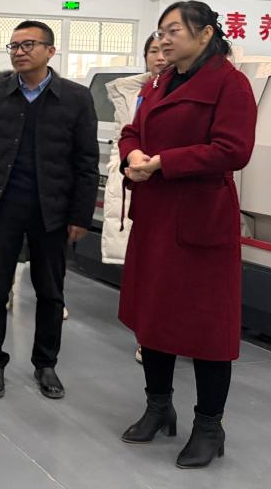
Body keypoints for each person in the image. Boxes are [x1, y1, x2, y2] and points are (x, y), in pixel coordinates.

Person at [118, 1, 257, 470]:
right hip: (156, 213)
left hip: (201, 218)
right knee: (154, 315)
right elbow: (132, 131)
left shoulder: (229, 83)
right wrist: (134, 156)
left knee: (206, 326)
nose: (164, 39)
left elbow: (233, 149)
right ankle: (158, 407)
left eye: (174, 30)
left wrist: (164, 162)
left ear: (205, 34)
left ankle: (209, 426)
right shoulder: (159, 82)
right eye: (161, 31)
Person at [0, 20, 98, 401]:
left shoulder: (75, 98)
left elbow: (86, 162)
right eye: (14, 46)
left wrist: (80, 215)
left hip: (52, 211)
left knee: (50, 292)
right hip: (3, 206)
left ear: (50, 51)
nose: (19, 52)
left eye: (28, 45)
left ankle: (46, 363)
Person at [102, 34, 167, 364]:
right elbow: (125, 134)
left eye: (165, 50)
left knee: (165, 267)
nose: (160, 57)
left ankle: (159, 335)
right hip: (133, 177)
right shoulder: (132, 91)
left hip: (168, 181)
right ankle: (147, 336)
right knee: (142, 266)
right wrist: (128, 160)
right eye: (153, 51)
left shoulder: (187, 90)